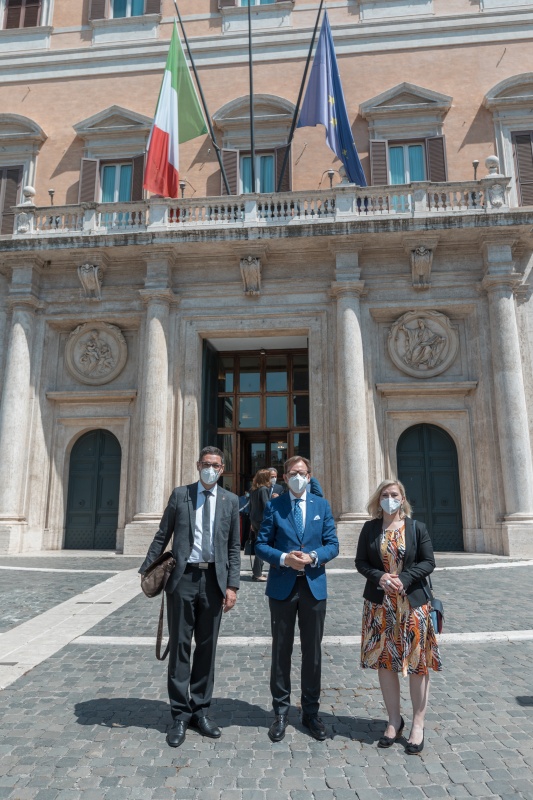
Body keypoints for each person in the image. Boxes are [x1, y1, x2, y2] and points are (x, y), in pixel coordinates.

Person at [139, 446, 240, 749]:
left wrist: (233, 585)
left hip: (214, 581)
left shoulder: (230, 501)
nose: (211, 469)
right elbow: (162, 533)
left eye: (216, 465)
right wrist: (147, 569)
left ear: (223, 469)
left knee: (207, 648)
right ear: (198, 465)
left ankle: (201, 710)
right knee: (181, 646)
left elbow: (234, 547)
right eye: (206, 464)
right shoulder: (180, 495)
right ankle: (180, 714)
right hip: (182, 579)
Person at [355, 479, 442, 755]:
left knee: (417, 664)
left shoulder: (416, 528)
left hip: (413, 605)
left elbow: (429, 562)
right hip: (380, 606)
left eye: (394, 494)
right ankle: (394, 720)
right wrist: (379, 577)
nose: (389, 499)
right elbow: (360, 562)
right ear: (377, 499)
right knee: (385, 662)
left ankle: (418, 723)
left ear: (403, 499)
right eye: (384, 495)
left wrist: (403, 579)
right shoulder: (370, 528)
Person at [255, 456, 339, 742]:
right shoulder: (274, 505)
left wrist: (314, 557)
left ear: (309, 475)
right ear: (285, 477)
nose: (297, 477)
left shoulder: (322, 506)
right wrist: (283, 558)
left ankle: (310, 712)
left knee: (312, 653)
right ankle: (280, 711)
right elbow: (261, 545)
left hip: (313, 587)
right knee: (281, 650)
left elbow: (332, 544)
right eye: (292, 473)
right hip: (282, 587)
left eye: (301, 473)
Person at [249, 468, 272, 582]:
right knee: (261, 547)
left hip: (255, 520)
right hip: (262, 521)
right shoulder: (263, 489)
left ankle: (257, 572)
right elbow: (266, 506)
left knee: (260, 545)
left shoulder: (254, 490)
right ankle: (257, 573)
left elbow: (251, 507)